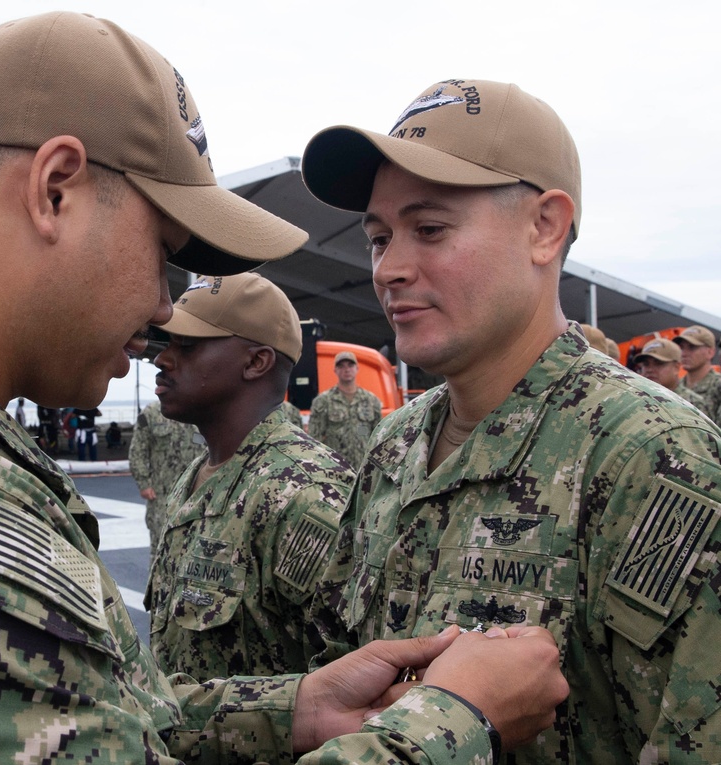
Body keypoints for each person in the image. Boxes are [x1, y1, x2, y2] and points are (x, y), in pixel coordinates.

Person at [0, 22, 569, 764]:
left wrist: (292, 708)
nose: (167, 305)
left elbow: (84, 718)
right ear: (55, 189)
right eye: (164, 252)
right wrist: (454, 720)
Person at [301, 77, 721, 763]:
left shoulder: (653, 458)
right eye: (379, 238)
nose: (390, 269)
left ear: (544, 228)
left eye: (429, 229)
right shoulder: (393, 444)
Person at [145, 273, 354, 679]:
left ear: (256, 362)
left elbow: (350, 684)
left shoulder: (305, 495)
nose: (162, 359)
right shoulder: (195, 477)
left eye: (186, 346)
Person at [129, 400, 204, 553]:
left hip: (197, 494)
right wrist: (144, 483)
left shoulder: (201, 410)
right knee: (161, 548)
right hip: (162, 496)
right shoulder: (152, 413)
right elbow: (138, 450)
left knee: (195, 549)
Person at [307, 350, 383, 467]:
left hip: (365, 467)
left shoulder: (371, 400)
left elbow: (378, 436)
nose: (346, 369)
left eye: (350, 365)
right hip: (336, 467)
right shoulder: (323, 401)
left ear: (357, 368)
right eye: (341, 366)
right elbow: (314, 437)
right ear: (335, 370)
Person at [634, 338, 713, 419]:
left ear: (676, 367)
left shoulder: (693, 404)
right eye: (646, 364)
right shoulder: (634, 396)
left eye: (659, 363)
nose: (650, 369)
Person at [675, 324, 721, 424]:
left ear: (710, 352)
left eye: (692, 347)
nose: (684, 353)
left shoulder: (717, 386)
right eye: (682, 348)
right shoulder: (676, 386)